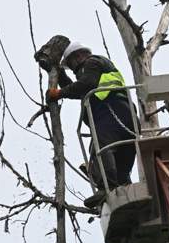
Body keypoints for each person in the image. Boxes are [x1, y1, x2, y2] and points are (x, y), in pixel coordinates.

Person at [46, 42, 136, 208]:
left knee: (101, 148)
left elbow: (86, 85)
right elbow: (80, 89)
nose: (73, 69)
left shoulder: (92, 62)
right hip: (125, 116)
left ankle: (107, 188)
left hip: (111, 112)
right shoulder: (98, 67)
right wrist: (60, 76)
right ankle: (125, 193)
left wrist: (59, 93)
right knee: (119, 160)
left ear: (78, 56)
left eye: (71, 64)